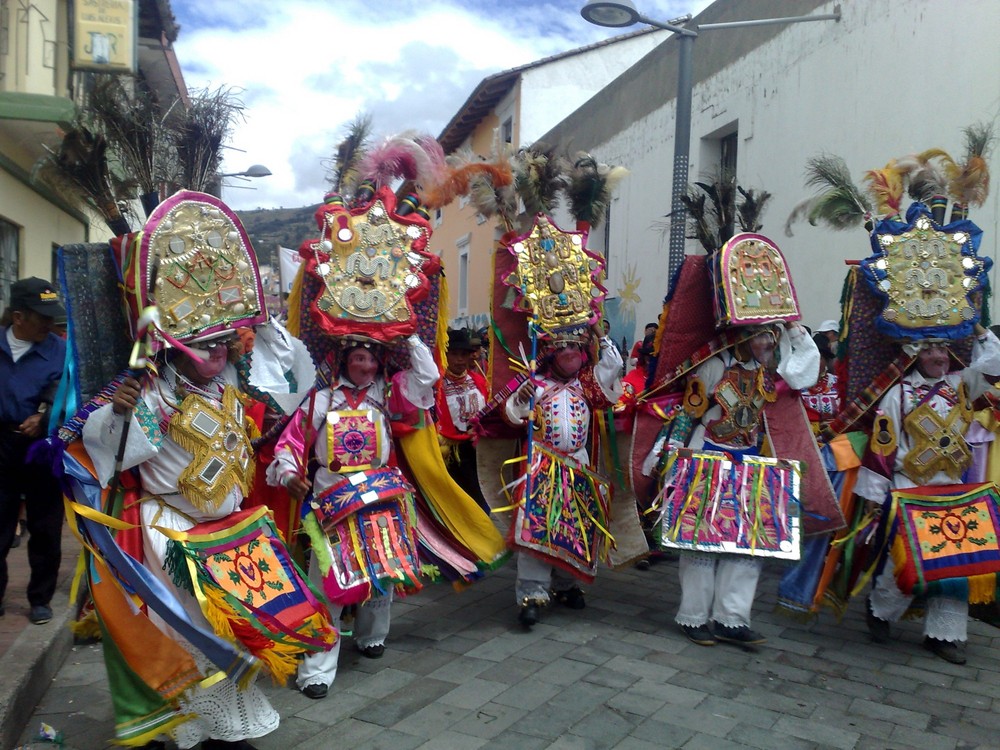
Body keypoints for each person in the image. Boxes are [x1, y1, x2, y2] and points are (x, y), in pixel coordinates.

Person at [269, 334, 439, 699]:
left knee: (382, 575)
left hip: (379, 501)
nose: (367, 367)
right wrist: (288, 474)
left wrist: (405, 334)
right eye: (360, 358)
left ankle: (372, 635)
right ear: (345, 360)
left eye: (372, 360)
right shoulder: (322, 398)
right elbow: (290, 443)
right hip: (333, 503)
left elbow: (428, 375)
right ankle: (316, 669)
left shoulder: (389, 393)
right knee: (327, 581)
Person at [644, 322, 820, 647]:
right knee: (701, 544)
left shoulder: (769, 370)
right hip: (706, 457)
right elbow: (687, 412)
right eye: (763, 335)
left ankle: (731, 620)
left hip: (749, 461)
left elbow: (804, 375)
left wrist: (795, 331)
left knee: (748, 548)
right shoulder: (714, 366)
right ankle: (694, 616)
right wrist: (668, 455)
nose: (769, 342)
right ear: (743, 335)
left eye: (773, 335)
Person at [859, 329, 1000, 664]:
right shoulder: (898, 396)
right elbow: (882, 450)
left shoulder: (962, 384)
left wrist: (978, 328)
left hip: (953, 490)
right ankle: (880, 611)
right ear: (914, 355)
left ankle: (944, 635)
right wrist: (874, 498)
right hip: (909, 490)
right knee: (903, 563)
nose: (940, 357)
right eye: (931, 351)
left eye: (944, 350)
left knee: (956, 566)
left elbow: (995, 362)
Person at [505, 329, 622, 627]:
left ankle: (566, 585)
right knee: (537, 530)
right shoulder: (535, 385)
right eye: (562, 346)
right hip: (542, 465)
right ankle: (531, 594)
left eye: (574, 346)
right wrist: (520, 399)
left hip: (579, 465)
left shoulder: (586, 384)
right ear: (550, 352)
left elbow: (613, 365)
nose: (569, 352)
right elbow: (513, 415)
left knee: (575, 529)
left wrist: (600, 334)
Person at [0, 277, 66, 625]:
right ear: (18, 316)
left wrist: (45, 416)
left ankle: (40, 599)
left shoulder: (60, 350)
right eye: (41, 316)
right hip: (1, 443)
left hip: (42, 447)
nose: (49, 324)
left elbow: (70, 393)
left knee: (44, 526)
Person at [436, 328, 490, 511]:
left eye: (463, 355)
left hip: (479, 448)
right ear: (446, 356)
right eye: (454, 354)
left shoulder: (479, 381)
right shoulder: (438, 386)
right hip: (453, 452)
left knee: (483, 497)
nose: (459, 359)